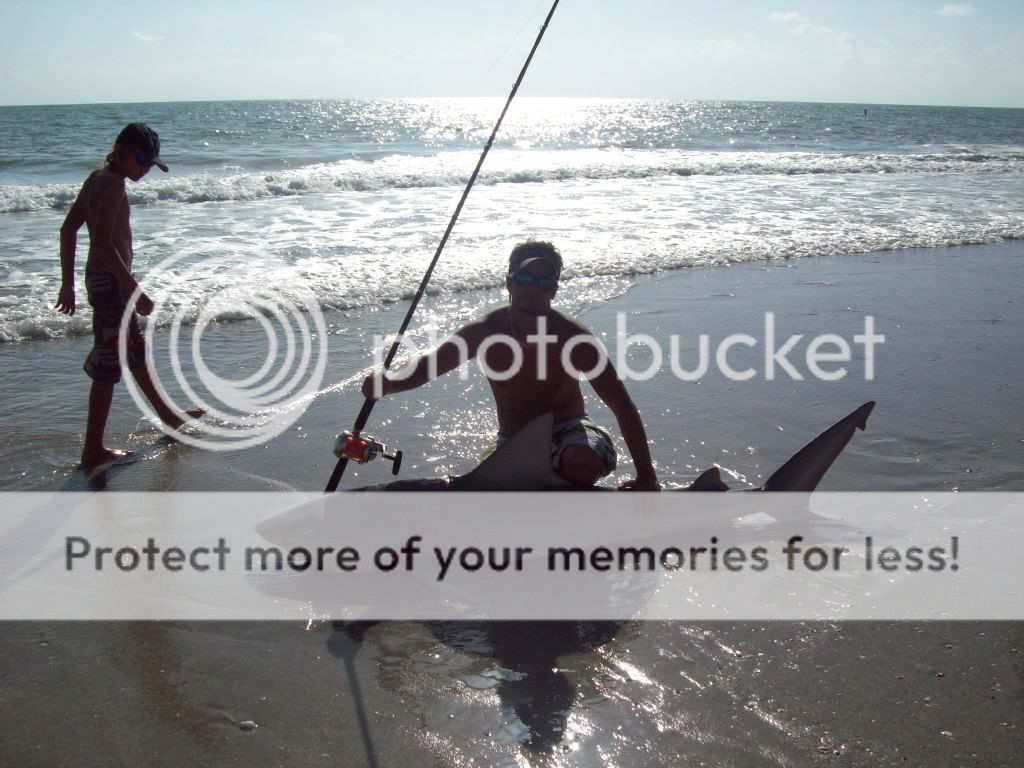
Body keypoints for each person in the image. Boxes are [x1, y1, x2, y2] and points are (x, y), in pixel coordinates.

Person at [362, 241, 660, 490]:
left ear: (554, 290)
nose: (534, 289)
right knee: (481, 491)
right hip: (512, 441)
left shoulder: (575, 338)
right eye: (526, 279)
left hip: (570, 431)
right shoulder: (485, 331)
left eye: (545, 282)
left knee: (580, 461)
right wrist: (390, 383)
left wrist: (647, 475)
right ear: (509, 283)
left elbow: (622, 406)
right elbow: (429, 365)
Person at [55, 122, 202, 467]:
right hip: (111, 284)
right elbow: (103, 245)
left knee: (135, 351)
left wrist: (68, 283)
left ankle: (169, 417)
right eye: (142, 160)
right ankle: (93, 450)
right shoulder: (111, 184)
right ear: (121, 151)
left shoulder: (97, 178)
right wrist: (138, 292)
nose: (145, 169)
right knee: (107, 366)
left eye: (151, 164)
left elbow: (68, 229)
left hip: (104, 281)